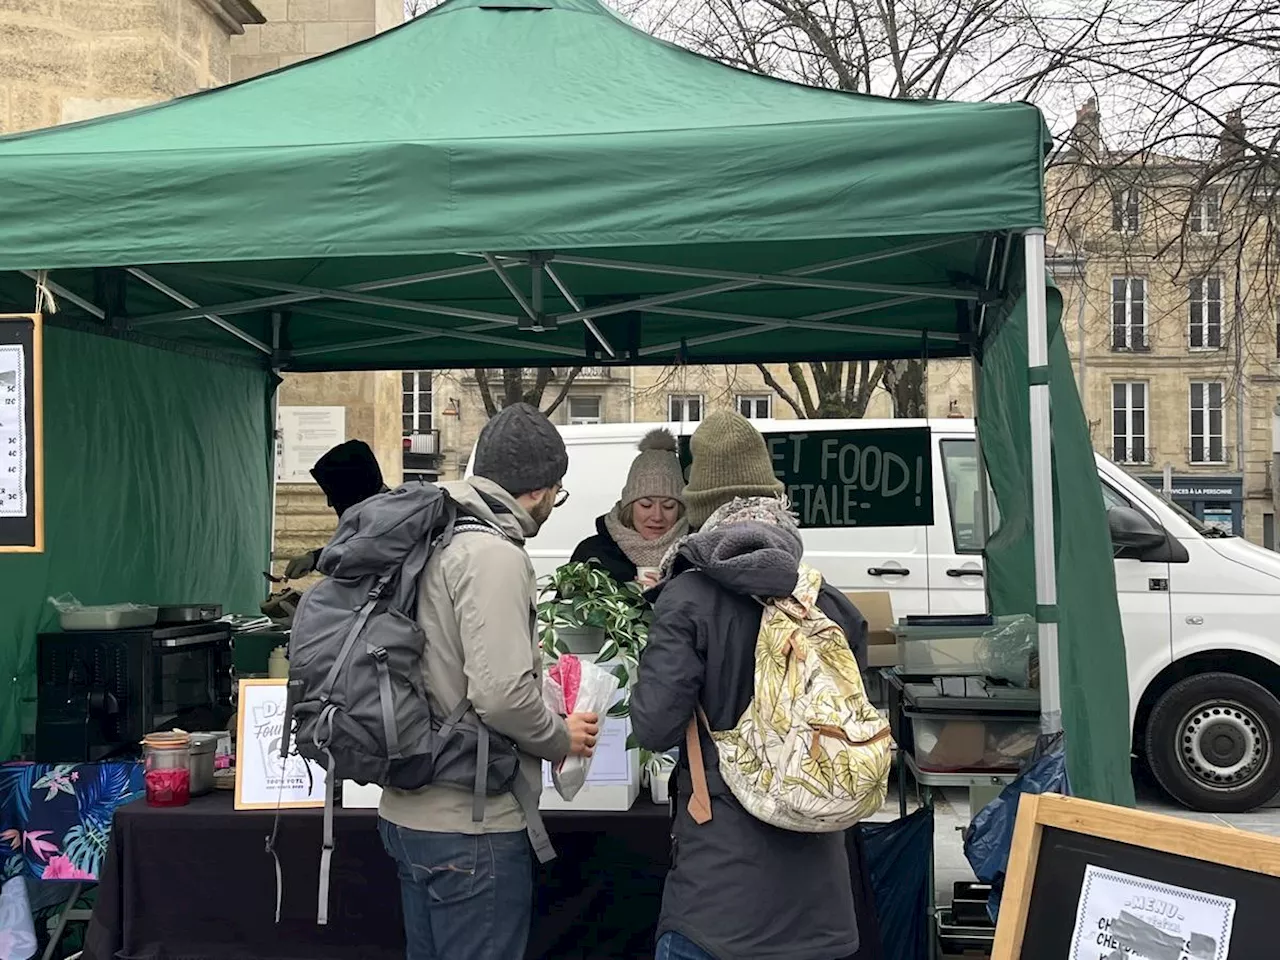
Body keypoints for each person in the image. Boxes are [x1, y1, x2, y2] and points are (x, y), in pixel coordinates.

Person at [631, 410, 869, 960]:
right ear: (774, 501)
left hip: (719, 897)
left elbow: (654, 725)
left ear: (699, 507)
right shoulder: (827, 604)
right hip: (822, 903)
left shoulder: (687, 600)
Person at [378, 403, 600, 960]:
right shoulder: (492, 554)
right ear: (540, 490)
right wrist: (560, 736)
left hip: (408, 810)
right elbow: (500, 695)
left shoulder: (433, 536)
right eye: (558, 492)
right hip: (471, 826)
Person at [570, 428, 689, 589]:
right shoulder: (593, 554)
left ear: (681, 509)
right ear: (629, 507)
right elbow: (564, 610)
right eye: (646, 505)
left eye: (669, 506)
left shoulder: (692, 555)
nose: (657, 516)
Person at [283, 439, 388, 579]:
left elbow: (361, 551)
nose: (330, 504)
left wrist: (315, 559)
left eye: (333, 494)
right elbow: (356, 547)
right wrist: (314, 558)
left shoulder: (386, 521)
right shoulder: (382, 513)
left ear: (352, 488)